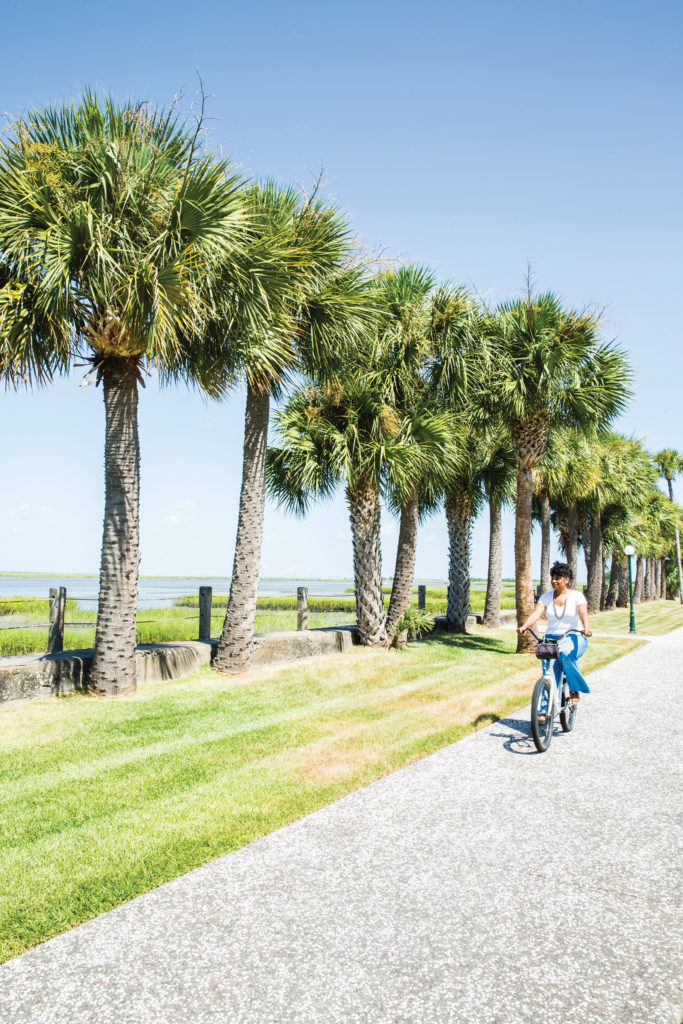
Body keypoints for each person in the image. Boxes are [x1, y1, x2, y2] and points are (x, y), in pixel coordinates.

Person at [518, 561, 593, 709]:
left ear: (567, 580)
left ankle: (574, 689)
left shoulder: (577, 596)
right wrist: (524, 626)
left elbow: (583, 613)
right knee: (548, 673)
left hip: (574, 636)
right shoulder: (546, 597)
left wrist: (587, 628)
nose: (554, 581)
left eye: (558, 578)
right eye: (553, 577)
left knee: (566, 655)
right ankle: (544, 711)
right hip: (551, 638)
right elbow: (536, 613)